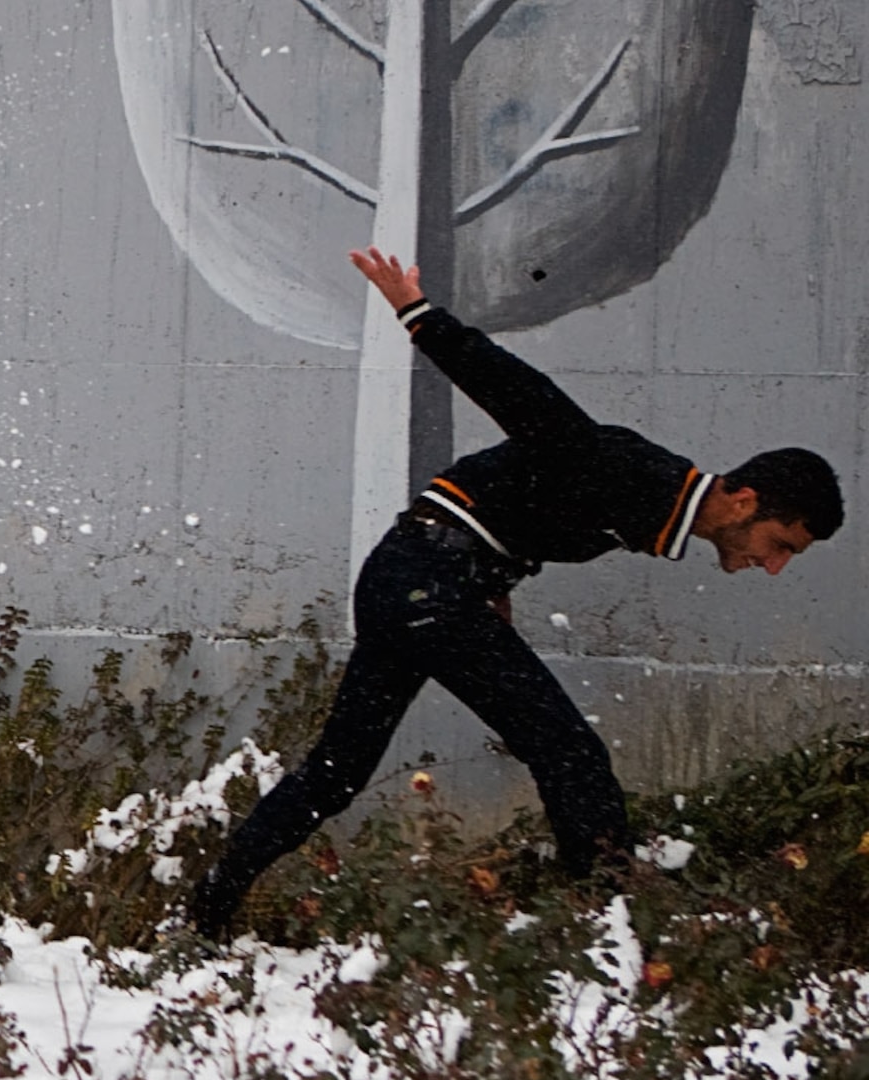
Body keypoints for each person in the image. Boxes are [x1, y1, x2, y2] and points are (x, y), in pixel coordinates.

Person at [191, 247, 845, 935]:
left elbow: (522, 502)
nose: (773, 567)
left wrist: (496, 579)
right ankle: (610, 939)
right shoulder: (633, 476)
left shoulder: (651, 499)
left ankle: (209, 905)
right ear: (743, 503)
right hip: (428, 583)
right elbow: (523, 398)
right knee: (570, 751)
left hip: (415, 577)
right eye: (782, 546)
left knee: (337, 770)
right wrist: (419, 315)